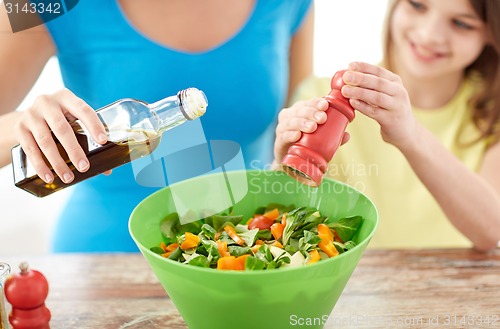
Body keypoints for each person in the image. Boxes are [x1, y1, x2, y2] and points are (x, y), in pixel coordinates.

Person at [0, 0, 314, 252]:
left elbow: (290, 143)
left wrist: (299, 150)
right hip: (106, 268)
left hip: (244, 257)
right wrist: (24, 126)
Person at [273, 0, 500, 251]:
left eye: (461, 23)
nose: (429, 34)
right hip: (356, 286)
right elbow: (283, 224)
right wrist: (282, 162)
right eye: (417, 5)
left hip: (456, 285)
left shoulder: (494, 114)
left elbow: (491, 231)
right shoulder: (319, 96)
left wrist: (411, 135)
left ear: (492, 30)